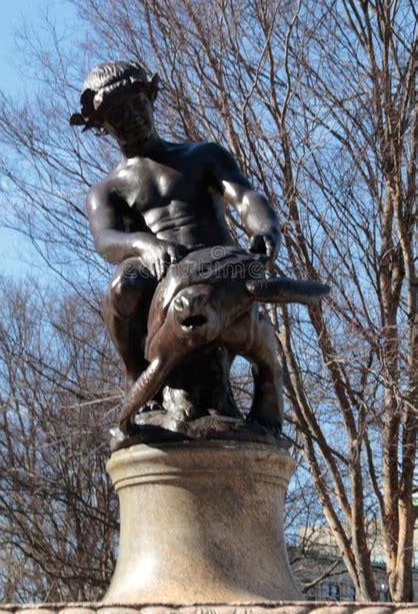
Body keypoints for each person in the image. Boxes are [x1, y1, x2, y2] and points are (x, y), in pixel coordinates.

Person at [71, 61, 281, 396]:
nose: (132, 118)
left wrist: (266, 229)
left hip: (217, 267)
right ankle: (135, 372)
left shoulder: (204, 155)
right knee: (122, 285)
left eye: (137, 104)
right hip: (160, 277)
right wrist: (144, 245)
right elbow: (105, 239)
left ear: (151, 99)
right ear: (101, 125)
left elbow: (244, 197)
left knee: (255, 328)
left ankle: (269, 384)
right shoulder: (107, 190)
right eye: (117, 113)